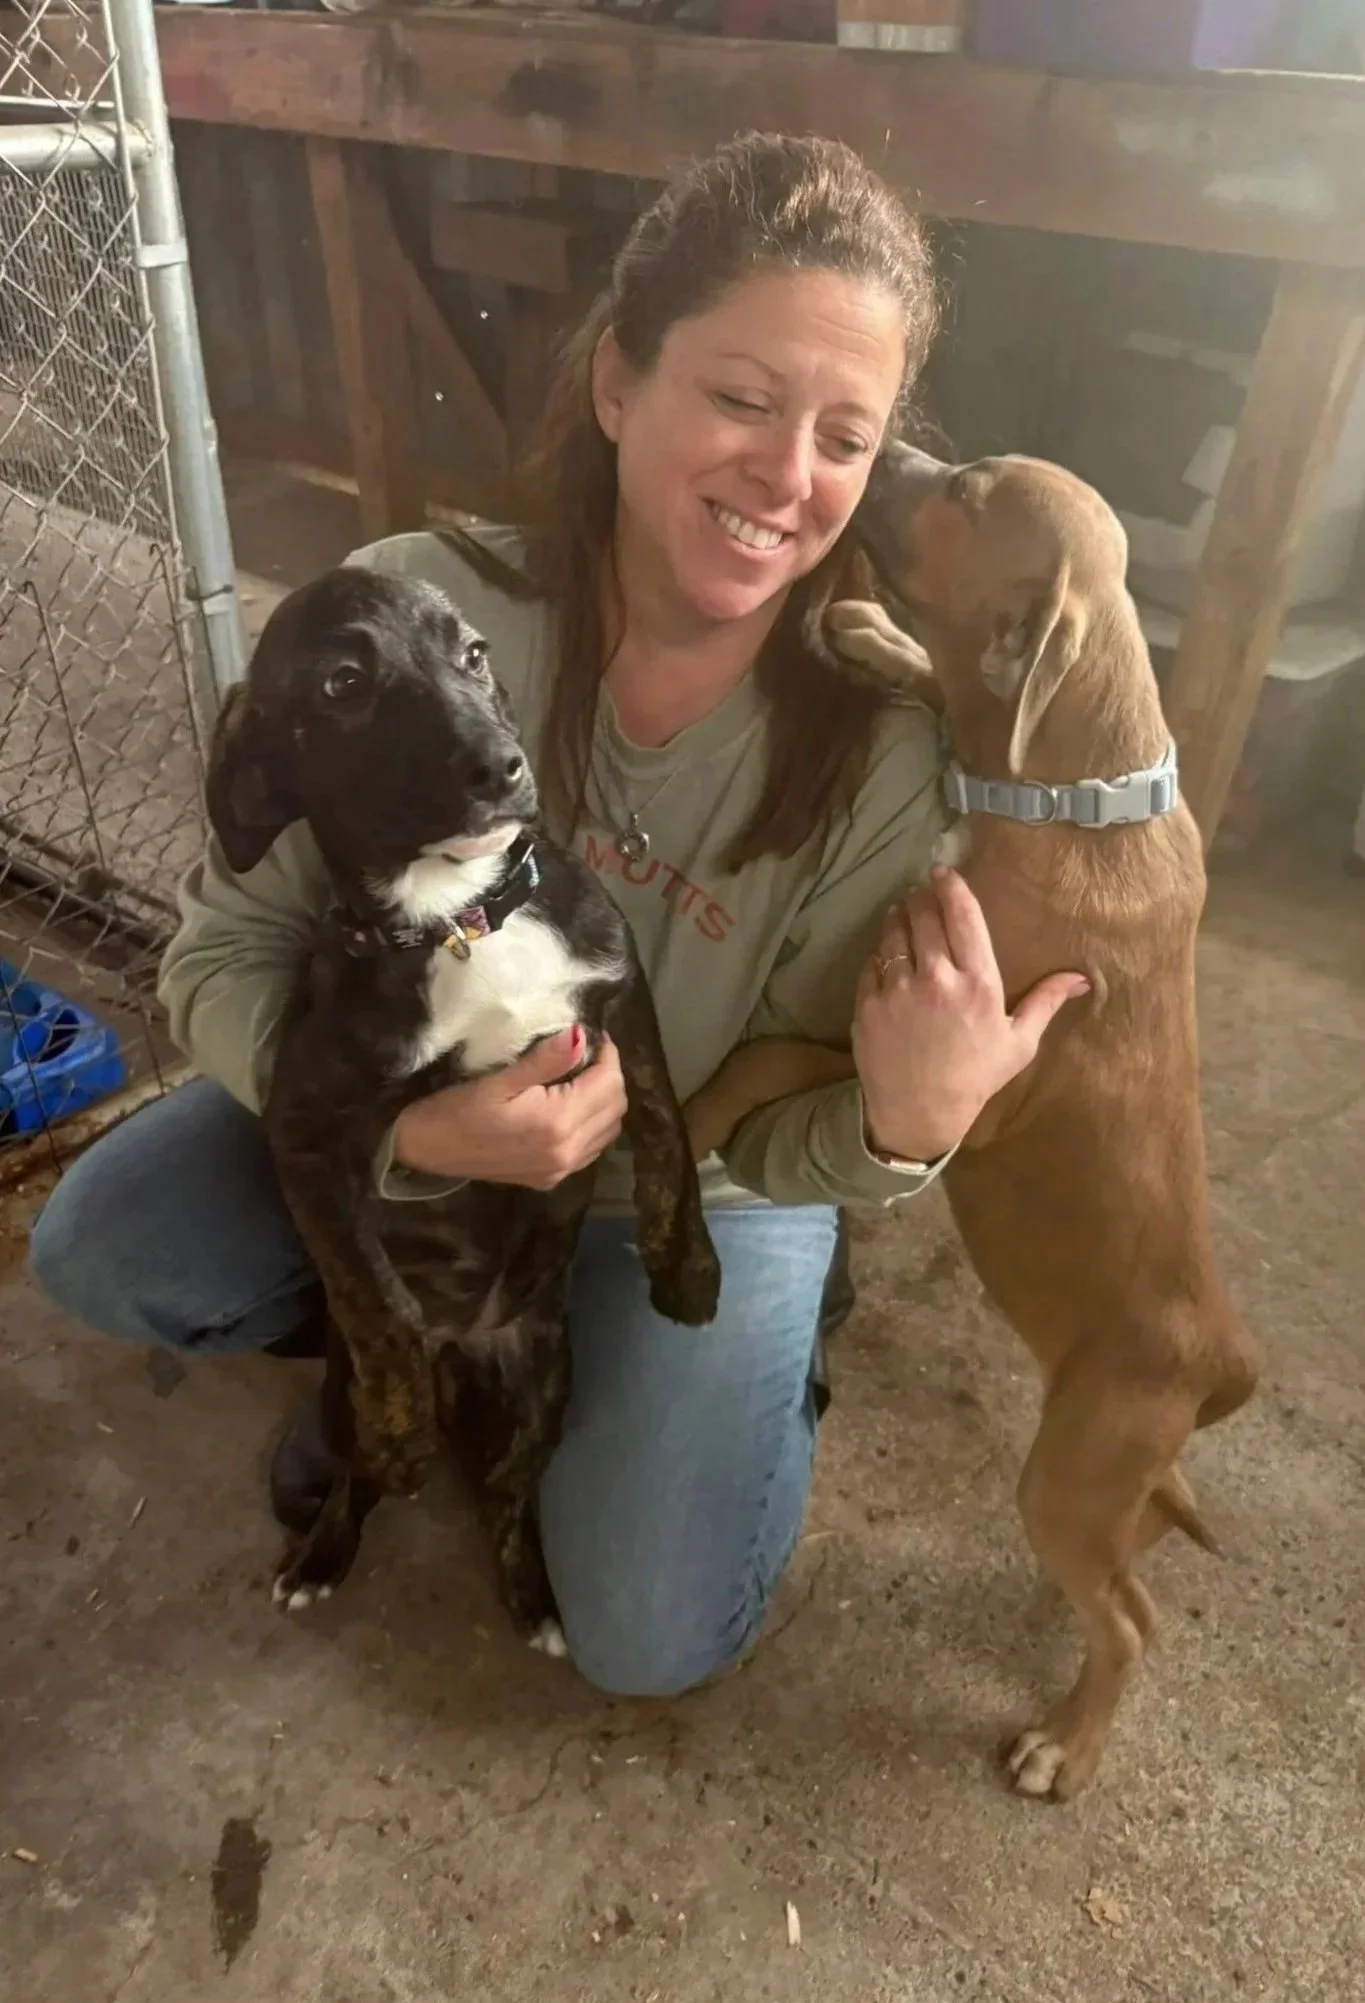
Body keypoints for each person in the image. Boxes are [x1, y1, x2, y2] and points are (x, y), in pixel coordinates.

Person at [30, 134, 1085, 1697]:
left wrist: (901, 1132)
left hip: (700, 1182)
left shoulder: (878, 757)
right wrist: (414, 1142)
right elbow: (220, 954)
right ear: (616, 385)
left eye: (845, 436)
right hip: (407, 1125)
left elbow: (789, 1120)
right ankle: (410, 1356)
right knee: (109, 1245)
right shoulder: (417, 615)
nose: (788, 476)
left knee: (646, 1630)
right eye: (740, 398)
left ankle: (740, 1362)